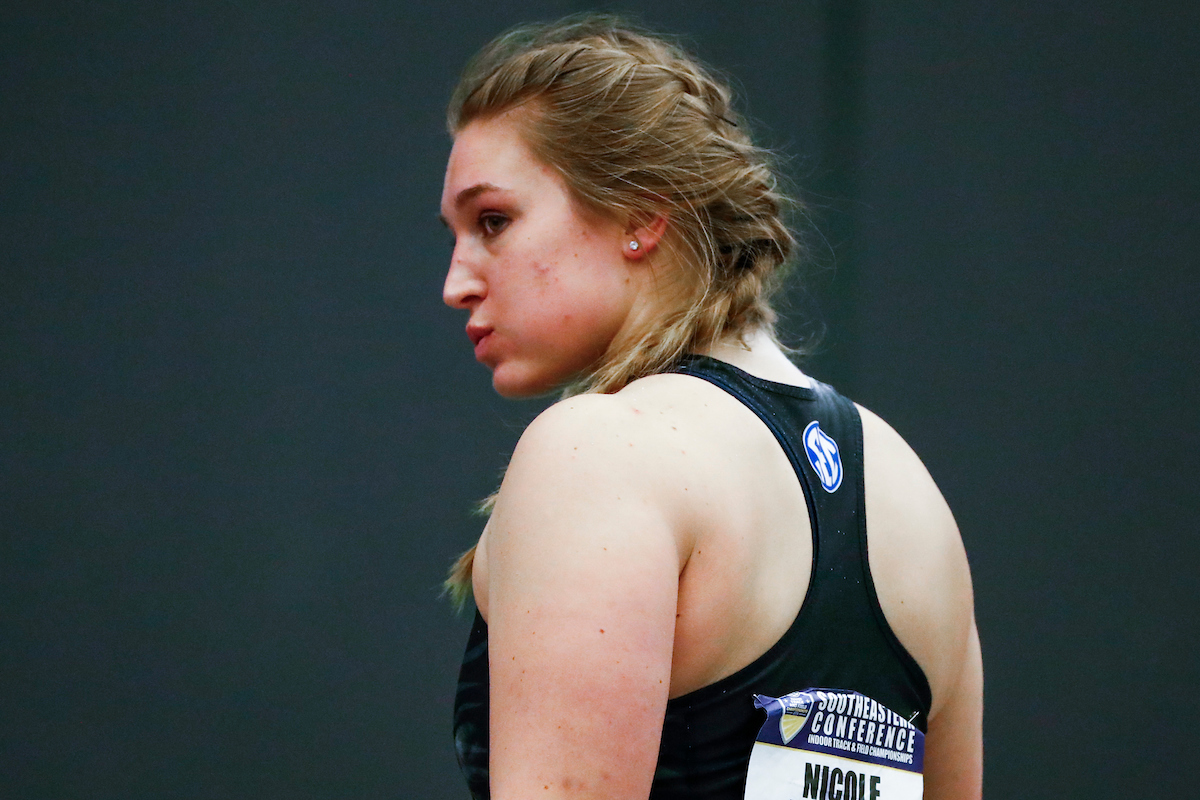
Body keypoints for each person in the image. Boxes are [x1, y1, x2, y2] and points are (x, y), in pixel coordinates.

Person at [438, 15, 982, 800]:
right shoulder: (912, 490)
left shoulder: (598, 454)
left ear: (639, 216)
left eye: (494, 221)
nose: (457, 281)